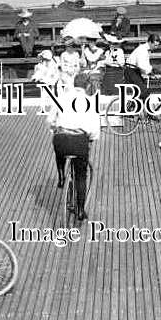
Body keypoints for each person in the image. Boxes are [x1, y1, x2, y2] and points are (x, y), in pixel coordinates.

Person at [46, 72, 100, 221]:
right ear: (87, 86)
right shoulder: (90, 101)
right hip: (79, 141)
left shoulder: (61, 98)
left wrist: (54, 130)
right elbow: (95, 131)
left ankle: (62, 176)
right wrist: (90, 140)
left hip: (61, 140)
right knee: (81, 176)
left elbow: (50, 120)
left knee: (59, 147)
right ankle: (81, 210)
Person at [124, 33, 161, 110]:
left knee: (145, 92)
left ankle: (147, 112)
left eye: (157, 45)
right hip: (130, 71)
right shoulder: (142, 49)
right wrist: (152, 70)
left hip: (135, 70)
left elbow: (145, 64)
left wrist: (151, 72)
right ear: (150, 42)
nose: (156, 47)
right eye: (155, 45)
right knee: (144, 92)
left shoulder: (147, 49)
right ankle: (130, 108)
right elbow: (141, 64)